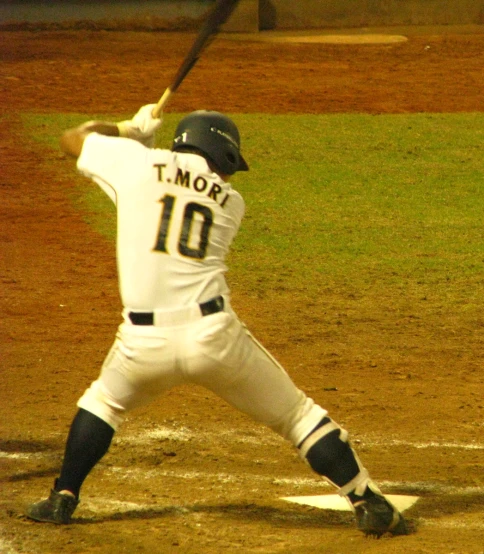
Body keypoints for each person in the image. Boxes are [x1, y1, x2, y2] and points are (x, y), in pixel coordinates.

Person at [25, 105, 411, 538]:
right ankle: (366, 500)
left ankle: (63, 497)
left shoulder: (134, 164)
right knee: (298, 417)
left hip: (141, 343)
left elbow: (71, 139)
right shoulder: (231, 203)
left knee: (103, 403)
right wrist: (138, 151)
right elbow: (168, 199)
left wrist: (127, 131)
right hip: (213, 337)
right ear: (222, 156)